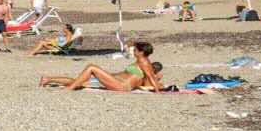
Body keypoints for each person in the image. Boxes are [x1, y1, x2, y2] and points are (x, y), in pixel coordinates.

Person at [39, 40, 171, 91]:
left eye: (135, 50)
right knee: (81, 81)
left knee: (91, 67)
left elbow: (151, 78)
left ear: (141, 52)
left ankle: (69, 89)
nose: (133, 51)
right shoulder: (140, 60)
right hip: (116, 80)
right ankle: (48, 79)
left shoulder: (144, 62)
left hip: (122, 86)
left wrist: (158, 91)